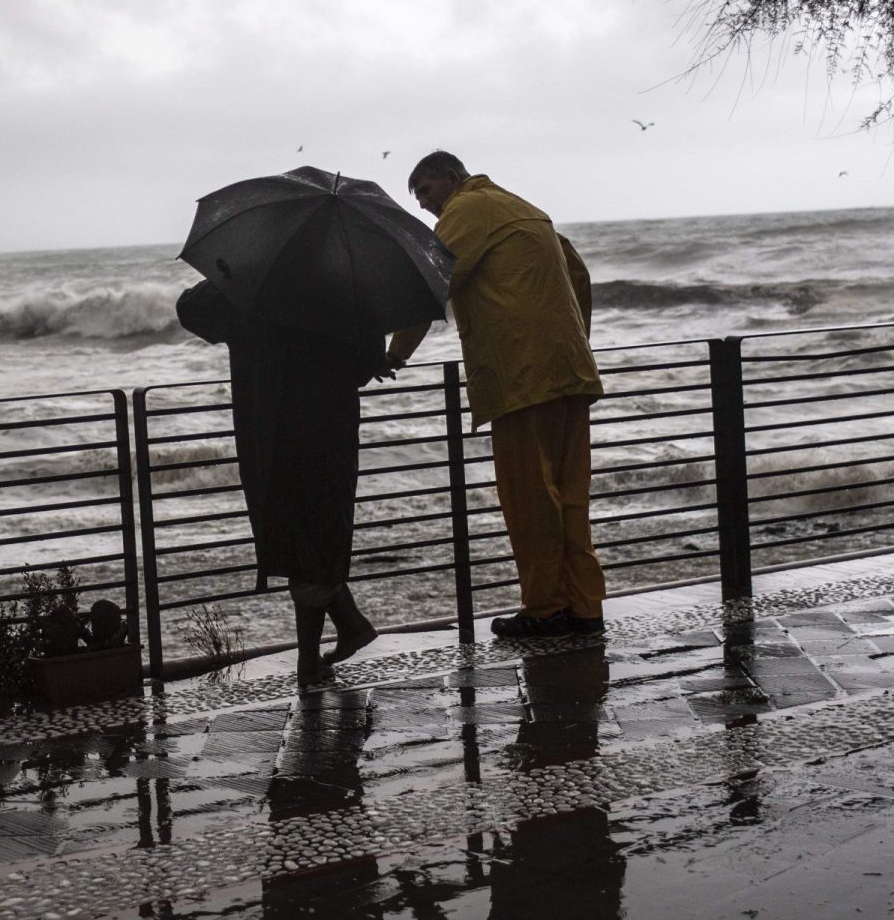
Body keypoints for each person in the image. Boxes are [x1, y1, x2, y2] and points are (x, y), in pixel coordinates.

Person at [387, 151, 606, 637]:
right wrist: (572, 345)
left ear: (451, 177)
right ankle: (585, 605)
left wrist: (395, 354)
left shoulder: (466, 211)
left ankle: (546, 608)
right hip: (567, 371)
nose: (424, 206)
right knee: (570, 495)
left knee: (530, 499)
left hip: (520, 378)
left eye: (425, 190)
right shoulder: (523, 206)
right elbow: (579, 278)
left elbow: (430, 283)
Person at [176, 279, 383, 685]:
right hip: (330, 428)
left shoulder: (250, 284)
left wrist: (228, 273)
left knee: (296, 536)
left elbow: (192, 312)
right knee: (319, 533)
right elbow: (366, 365)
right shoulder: (347, 285)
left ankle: (321, 652)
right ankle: (341, 633)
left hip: (269, 430)